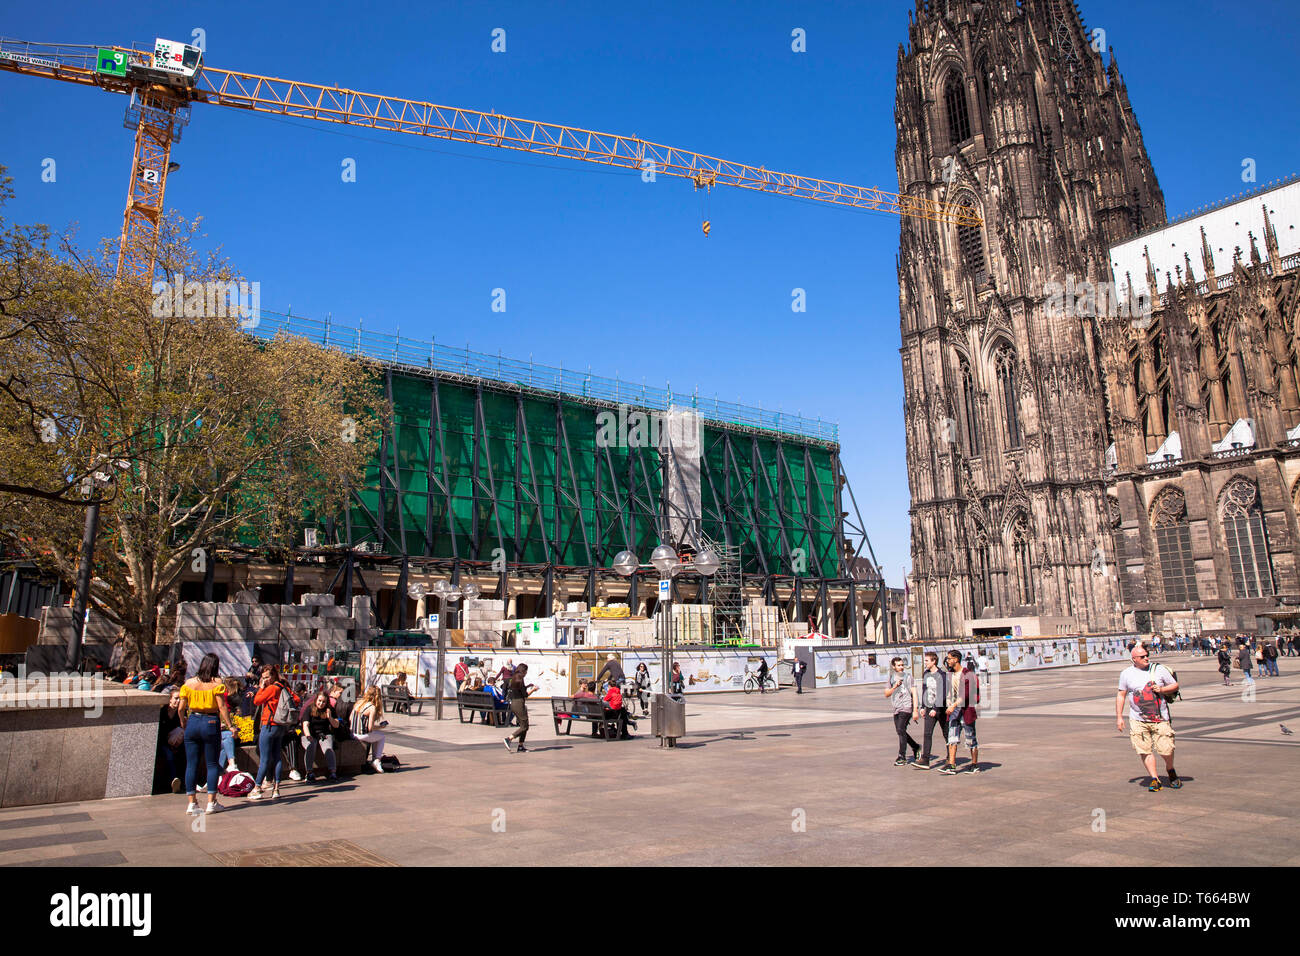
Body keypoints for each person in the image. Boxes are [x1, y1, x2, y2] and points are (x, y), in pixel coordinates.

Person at [178, 652, 239, 814]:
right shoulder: (217, 683)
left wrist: (183, 722)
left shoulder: (189, 683)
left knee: (191, 764)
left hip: (193, 720)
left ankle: (192, 802)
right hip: (210, 722)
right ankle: (212, 803)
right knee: (212, 764)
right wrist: (230, 725)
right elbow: (222, 707)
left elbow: (181, 708)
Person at [1115, 643, 1181, 792]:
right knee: (1144, 750)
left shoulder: (1159, 669)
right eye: (1142, 656)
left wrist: (1162, 689)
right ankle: (1154, 778)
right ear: (1134, 659)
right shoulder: (1126, 673)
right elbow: (1121, 694)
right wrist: (1119, 717)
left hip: (1160, 718)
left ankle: (1170, 769)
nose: (1147, 658)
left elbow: (1175, 685)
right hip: (1137, 719)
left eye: (1147, 655)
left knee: (1166, 749)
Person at [250, 664, 294, 800]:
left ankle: (257, 788)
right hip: (280, 725)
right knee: (277, 757)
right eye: (263, 678)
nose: (265, 680)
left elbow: (257, 701)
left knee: (264, 758)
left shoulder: (271, 688)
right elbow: (296, 699)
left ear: (274, 675)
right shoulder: (283, 687)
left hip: (269, 724)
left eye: (267, 677)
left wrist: (261, 687)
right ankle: (276, 789)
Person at [939, 650, 979, 774]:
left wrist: (954, 705)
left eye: (949, 658)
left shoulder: (968, 674)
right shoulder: (950, 674)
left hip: (966, 709)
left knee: (970, 738)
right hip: (954, 710)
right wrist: (950, 702)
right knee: (952, 737)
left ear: (956, 659)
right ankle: (951, 764)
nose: (948, 661)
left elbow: (966, 694)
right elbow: (950, 692)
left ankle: (974, 764)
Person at [913, 651, 948, 770]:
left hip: (941, 709)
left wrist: (936, 708)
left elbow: (942, 693)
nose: (925, 663)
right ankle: (925, 759)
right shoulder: (926, 674)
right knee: (927, 734)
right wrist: (923, 707)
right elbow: (925, 690)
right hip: (929, 707)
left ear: (934, 661)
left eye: (927, 661)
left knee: (946, 733)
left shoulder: (941, 675)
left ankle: (950, 757)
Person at [884, 657, 920, 766]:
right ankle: (915, 746)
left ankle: (902, 756)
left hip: (906, 707)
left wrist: (915, 710)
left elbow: (914, 693)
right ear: (893, 667)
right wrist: (895, 686)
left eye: (902, 665)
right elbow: (886, 694)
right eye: (898, 665)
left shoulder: (909, 677)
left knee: (900, 729)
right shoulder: (891, 678)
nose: (901, 667)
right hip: (896, 708)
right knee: (900, 731)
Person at [301, 686, 341, 782]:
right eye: (319, 701)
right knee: (311, 746)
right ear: (316, 700)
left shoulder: (329, 709)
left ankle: (332, 772)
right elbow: (305, 725)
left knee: (328, 749)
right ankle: (309, 772)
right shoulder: (309, 709)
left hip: (324, 734)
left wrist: (330, 717)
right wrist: (308, 736)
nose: (321, 704)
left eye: (323, 702)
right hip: (310, 733)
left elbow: (336, 725)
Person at [351, 685, 389, 773]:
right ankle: (377, 760)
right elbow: (370, 728)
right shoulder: (372, 707)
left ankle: (375, 760)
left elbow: (350, 718)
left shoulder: (359, 702)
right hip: (361, 734)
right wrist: (380, 727)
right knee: (381, 737)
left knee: (376, 737)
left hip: (352, 732)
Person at [157, 687, 186, 794]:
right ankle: (174, 780)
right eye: (176, 698)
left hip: (176, 742)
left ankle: (183, 781)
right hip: (163, 743)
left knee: (185, 752)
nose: (178, 701)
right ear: (170, 699)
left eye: (180, 699)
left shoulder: (181, 714)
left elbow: (183, 729)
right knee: (169, 755)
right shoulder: (162, 712)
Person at [504, 664, 537, 752]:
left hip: (514, 703)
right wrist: (533, 689)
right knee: (524, 727)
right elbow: (525, 695)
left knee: (524, 725)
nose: (526, 673)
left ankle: (521, 746)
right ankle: (509, 739)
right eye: (526, 671)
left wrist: (527, 686)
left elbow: (518, 690)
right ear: (523, 671)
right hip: (519, 703)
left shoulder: (514, 678)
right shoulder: (520, 680)